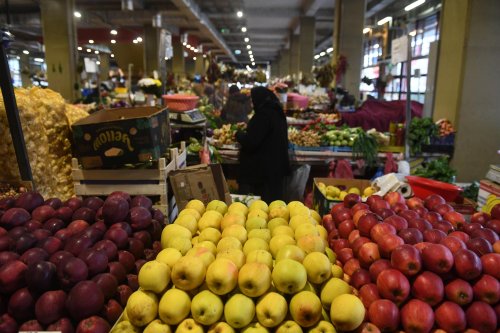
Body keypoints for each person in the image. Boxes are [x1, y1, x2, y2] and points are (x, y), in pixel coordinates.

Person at [236, 86, 290, 202]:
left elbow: (251, 142)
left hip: (263, 173)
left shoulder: (263, 115)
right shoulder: (277, 112)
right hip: (274, 170)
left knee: (261, 206)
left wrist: (238, 135)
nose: (251, 103)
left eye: (252, 100)